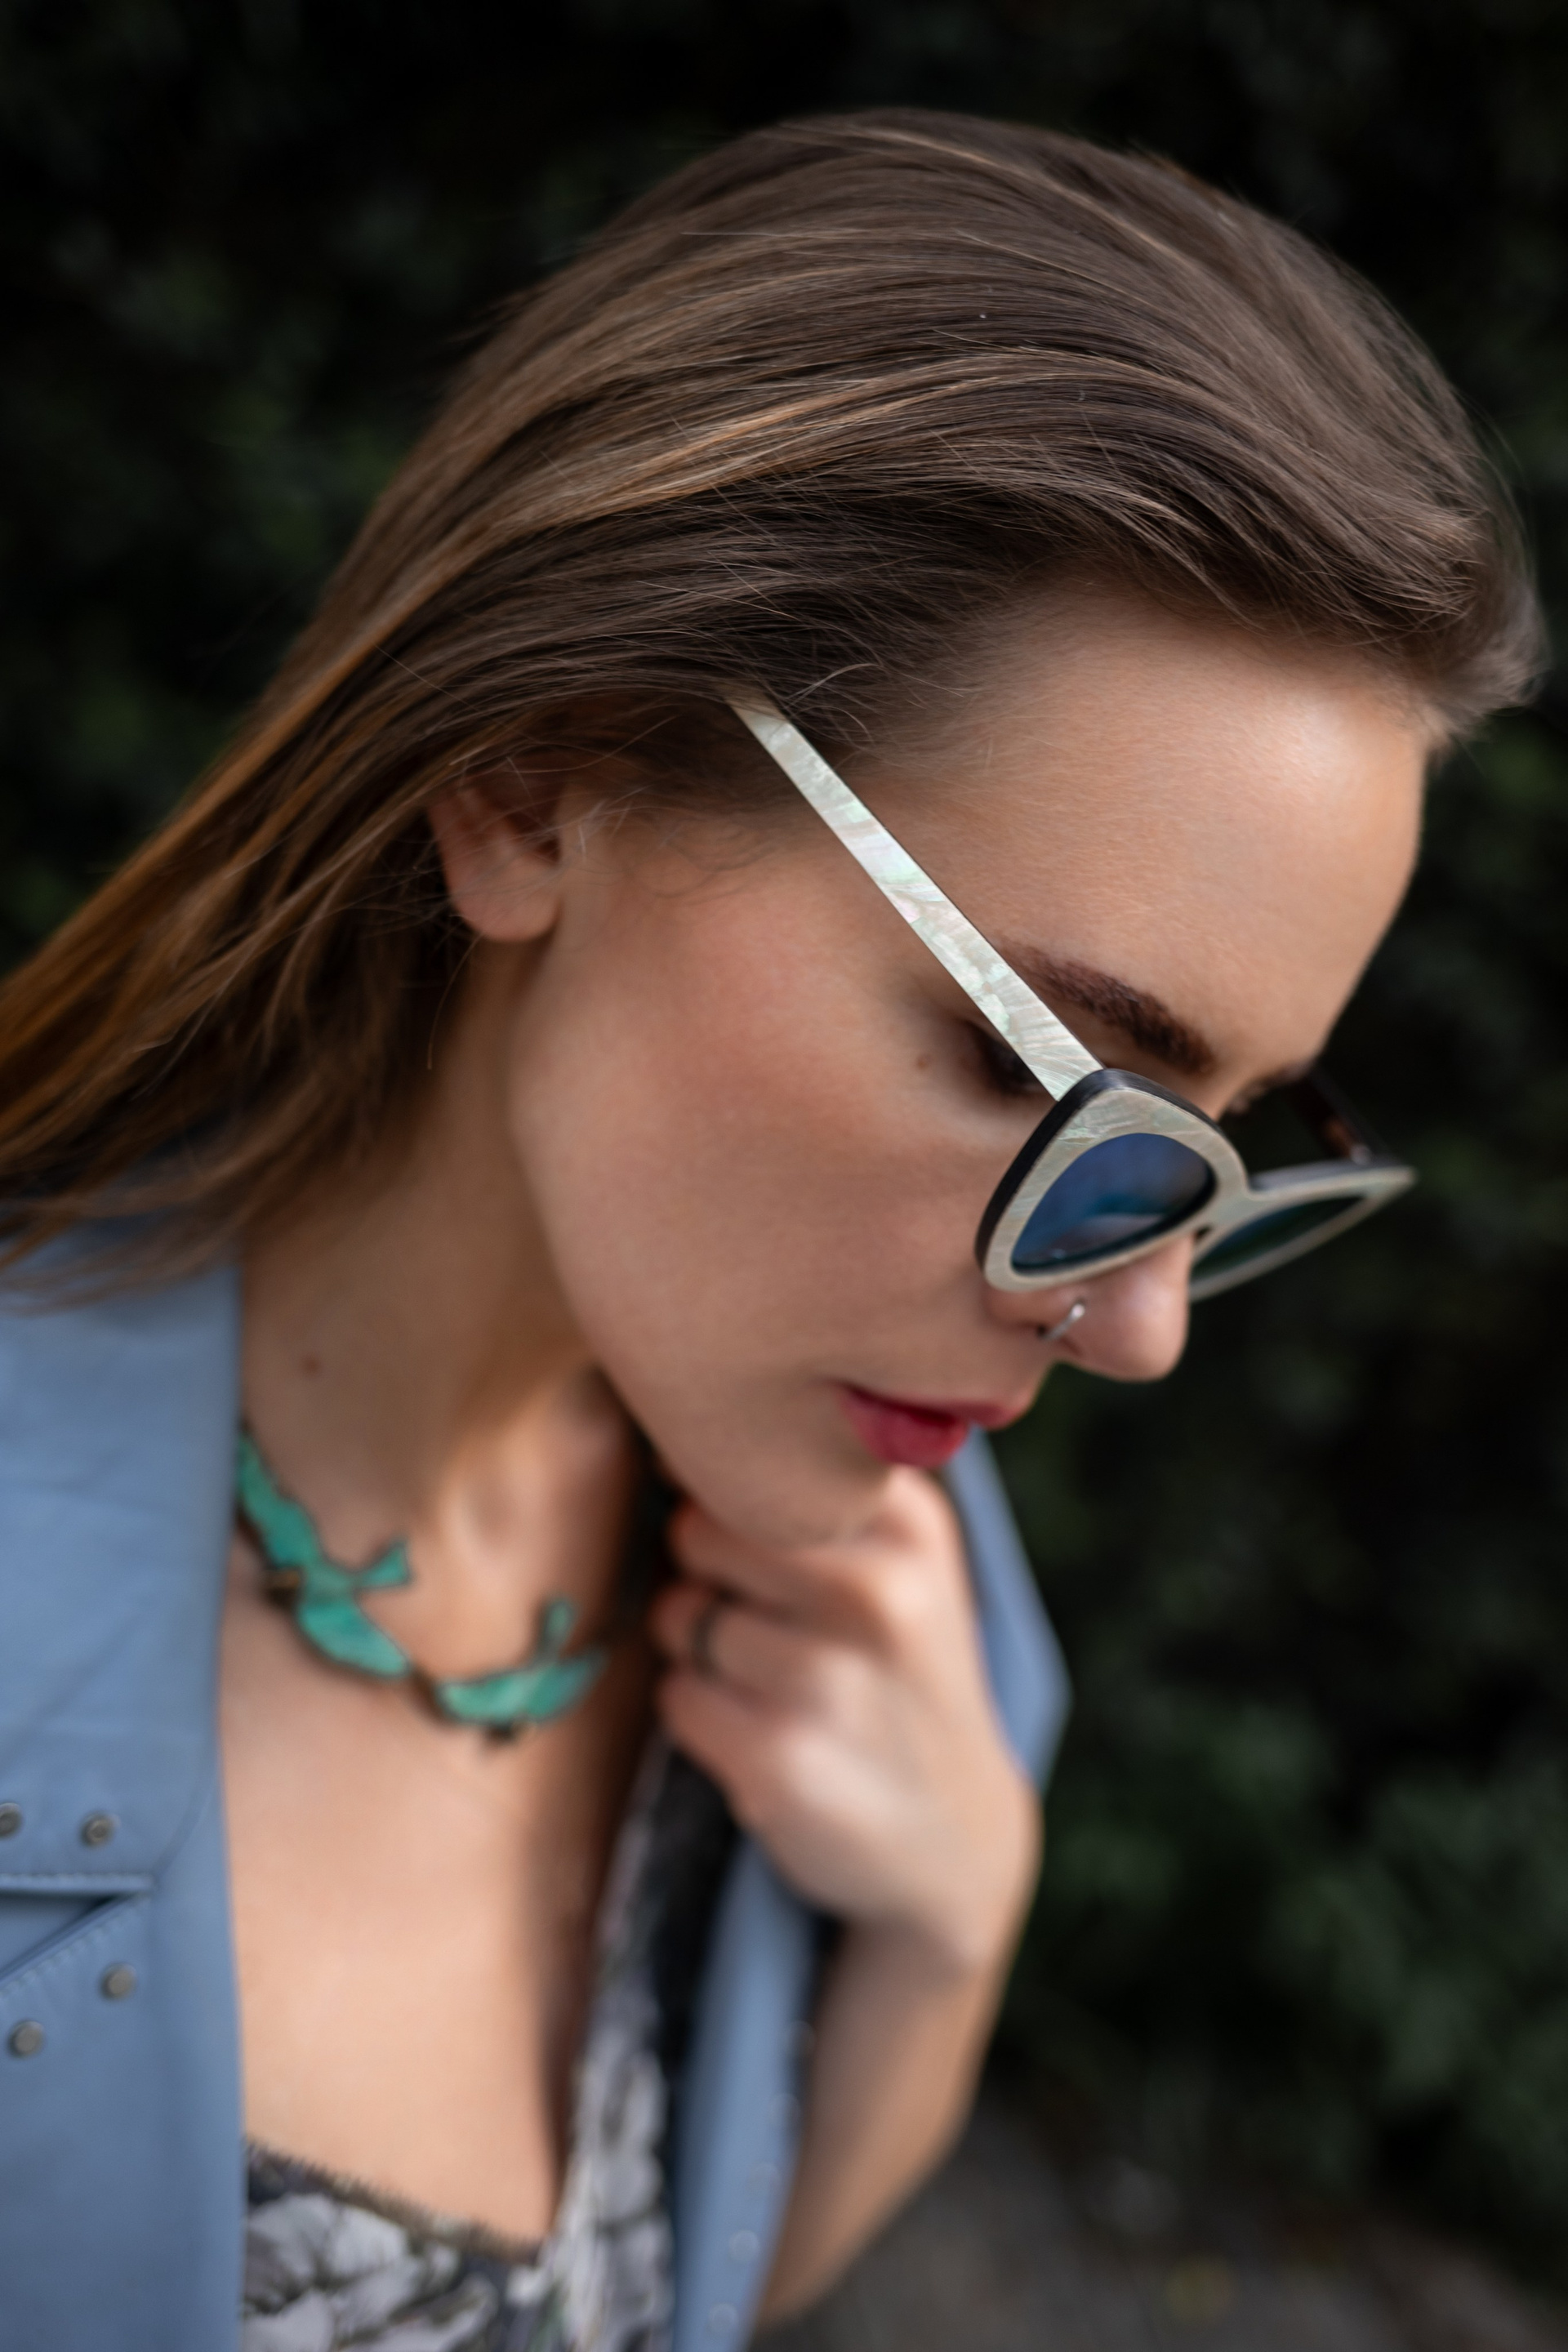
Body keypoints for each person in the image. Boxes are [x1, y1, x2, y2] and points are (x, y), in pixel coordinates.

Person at [0, 107, 1539, 2352]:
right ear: (540, 776)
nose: (1138, 1325)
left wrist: (938, 1943)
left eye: (1225, 1135)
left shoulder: (907, 1612)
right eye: (1041, 1068)